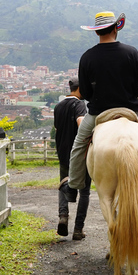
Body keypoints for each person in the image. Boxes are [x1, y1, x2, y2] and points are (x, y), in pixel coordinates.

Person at [67, 11, 138, 195]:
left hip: (98, 112)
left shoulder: (87, 57)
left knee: (79, 145)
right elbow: (137, 87)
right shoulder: (131, 52)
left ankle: (73, 186)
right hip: (130, 109)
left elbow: (86, 93)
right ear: (115, 29)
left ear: (96, 32)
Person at [54, 78, 89, 240]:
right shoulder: (79, 104)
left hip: (62, 151)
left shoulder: (58, 106)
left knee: (64, 183)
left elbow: (56, 128)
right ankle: (78, 229)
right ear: (79, 88)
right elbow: (81, 123)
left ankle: (63, 217)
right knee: (84, 191)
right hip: (79, 154)